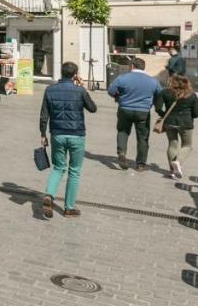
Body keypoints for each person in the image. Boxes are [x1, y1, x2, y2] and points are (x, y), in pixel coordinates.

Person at [39, 62, 97, 218]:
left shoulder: (50, 89)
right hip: (77, 135)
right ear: (75, 74)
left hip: (57, 133)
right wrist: (82, 88)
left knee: (58, 167)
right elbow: (93, 108)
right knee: (74, 171)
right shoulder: (79, 90)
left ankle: (49, 195)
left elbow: (44, 114)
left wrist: (43, 134)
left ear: (61, 73)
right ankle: (69, 207)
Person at [107, 56, 162, 172]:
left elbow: (111, 91)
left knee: (123, 131)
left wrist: (119, 97)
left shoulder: (122, 78)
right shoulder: (153, 81)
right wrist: (154, 105)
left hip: (125, 109)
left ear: (132, 66)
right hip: (143, 112)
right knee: (143, 137)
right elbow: (160, 94)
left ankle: (122, 153)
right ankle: (141, 164)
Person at [155, 74, 198, 179]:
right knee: (187, 145)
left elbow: (157, 108)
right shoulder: (192, 95)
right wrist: (189, 116)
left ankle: (172, 171)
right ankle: (178, 162)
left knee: (172, 144)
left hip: (169, 122)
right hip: (186, 124)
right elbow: (196, 113)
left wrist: (164, 115)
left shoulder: (165, 92)